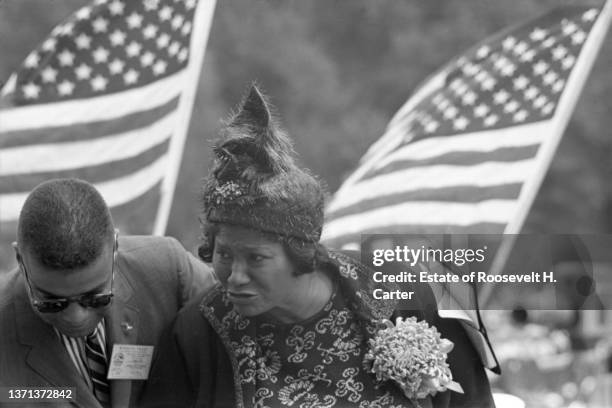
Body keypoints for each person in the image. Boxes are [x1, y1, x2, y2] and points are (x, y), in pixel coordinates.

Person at [142, 85, 495, 407]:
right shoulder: (196, 332)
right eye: (224, 255)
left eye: (256, 258)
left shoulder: (406, 289)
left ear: (301, 253)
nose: (235, 276)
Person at [0, 178, 217, 407]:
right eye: (52, 302)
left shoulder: (169, 271)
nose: (76, 318)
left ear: (114, 248)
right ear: (19, 260)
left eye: (95, 298)